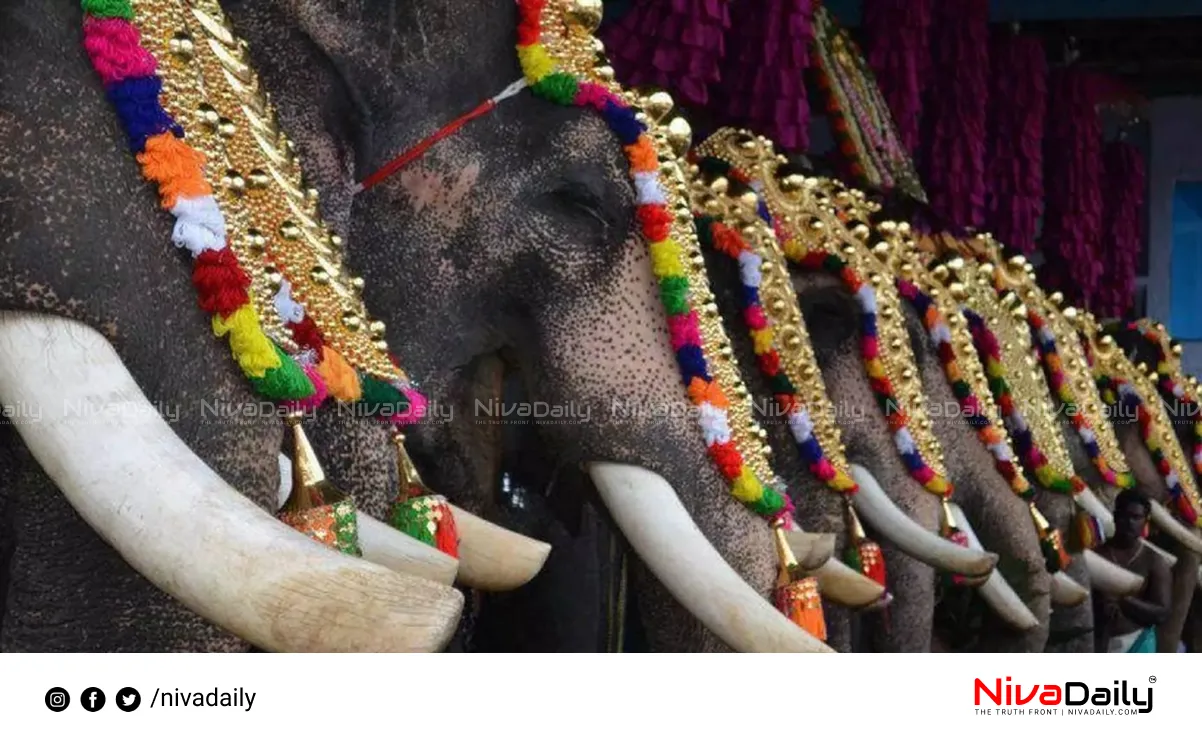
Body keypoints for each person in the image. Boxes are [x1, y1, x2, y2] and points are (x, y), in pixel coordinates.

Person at [1092, 489, 1172, 653]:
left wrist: (1124, 601)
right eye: (1125, 516)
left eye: (1136, 517)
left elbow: (1162, 613)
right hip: (1096, 643)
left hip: (1137, 643)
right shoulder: (1096, 555)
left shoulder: (1154, 561)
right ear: (1115, 516)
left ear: (1145, 521)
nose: (1130, 522)